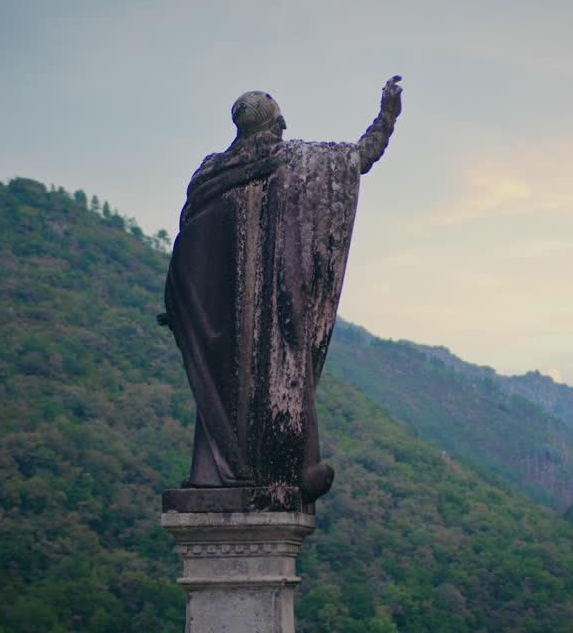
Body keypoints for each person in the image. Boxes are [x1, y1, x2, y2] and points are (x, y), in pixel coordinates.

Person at [161, 76, 402, 505]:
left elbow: (188, 247)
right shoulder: (294, 161)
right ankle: (287, 467)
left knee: (220, 394)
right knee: (281, 382)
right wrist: (386, 117)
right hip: (273, 315)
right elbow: (359, 157)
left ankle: (215, 472)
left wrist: (184, 307)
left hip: (214, 320)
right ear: (277, 124)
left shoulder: (208, 175)